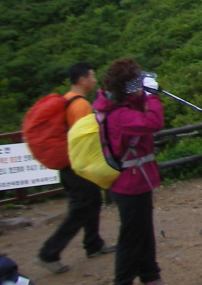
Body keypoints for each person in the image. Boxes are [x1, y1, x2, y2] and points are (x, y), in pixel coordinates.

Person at [33, 63, 115, 275]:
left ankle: (93, 244)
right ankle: (48, 253)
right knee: (80, 209)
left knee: (92, 201)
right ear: (82, 80)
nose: (94, 80)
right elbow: (86, 139)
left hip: (69, 164)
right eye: (92, 76)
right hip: (77, 165)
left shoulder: (67, 99)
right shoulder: (80, 106)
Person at [94, 58, 164, 285]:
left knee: (144, 230)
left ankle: (149, 275)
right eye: (136, 82)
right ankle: (123, 280)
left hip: (137, 181)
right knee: (131, 237)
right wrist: (153, 96)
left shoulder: (123, 105)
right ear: (126, 88)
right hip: (129, 185)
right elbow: (153, 122)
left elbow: (138, 102)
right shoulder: (119, 116)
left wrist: (146, 90)